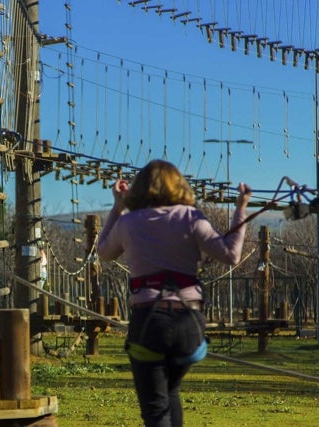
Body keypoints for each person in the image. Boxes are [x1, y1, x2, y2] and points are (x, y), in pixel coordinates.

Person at [97, 159, 251, 427]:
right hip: (188, 326)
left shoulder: (129, 223)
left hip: (149, 325)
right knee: (170, 392)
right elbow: (231, 254)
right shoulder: (191, 217)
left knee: (156, 410)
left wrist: (118, 206)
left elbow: (104, 252)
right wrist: (241, 209)